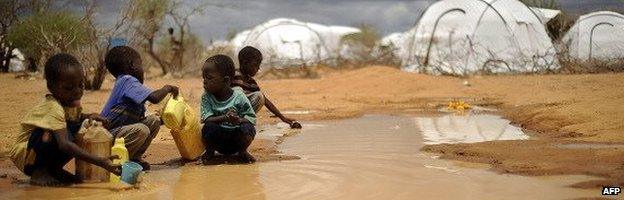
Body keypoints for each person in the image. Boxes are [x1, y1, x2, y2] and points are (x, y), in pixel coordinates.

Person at [9, 53, 121, 186]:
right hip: (27, 156)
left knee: (78, 127)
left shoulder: (70, 104)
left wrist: (89, 116)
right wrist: (100, 161)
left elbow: (76, 119)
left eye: (81, 85)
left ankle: (53, 170)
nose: (77, 91)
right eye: (69, 88)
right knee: (52, 134)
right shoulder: (53, 107)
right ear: (51, 87)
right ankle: (39, 172)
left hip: (38, 152)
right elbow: (64, 145)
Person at [100, 46, 179, 170]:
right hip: (105, 138)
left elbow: (137, 119)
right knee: (142, 129)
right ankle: (119, 162)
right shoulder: (127, 80)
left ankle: (134, 158)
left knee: (154, 121)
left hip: (118, 133)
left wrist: (168, 118)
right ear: (132, 65)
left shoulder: (126, 84)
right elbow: (154, 98)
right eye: (140, 64)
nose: (142, 69)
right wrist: (168, 88)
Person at [200, 55, 257, 164]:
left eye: (209, 78)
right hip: (218, 141)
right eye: (204, 78)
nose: (204, 81)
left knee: (248, 128)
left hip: (236, 139)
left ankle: (242, 151)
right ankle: (210, 151)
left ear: (226, 80)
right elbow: (207, 120)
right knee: (209, 127)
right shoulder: (206, 97)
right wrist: (225, 117)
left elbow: (251, 119)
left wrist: (238, 120)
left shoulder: (239, 96)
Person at [233, 46, 302, 129]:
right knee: (238, 91)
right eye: (255, 65)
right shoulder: (233, 75)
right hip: (227, 110)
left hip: (239, 114)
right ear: (245, 63)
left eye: (259, 65)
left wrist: (282, 118)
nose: (258, 68)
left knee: (260, 97)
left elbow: (265, 100)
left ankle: (242, 122)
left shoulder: (251, 82)